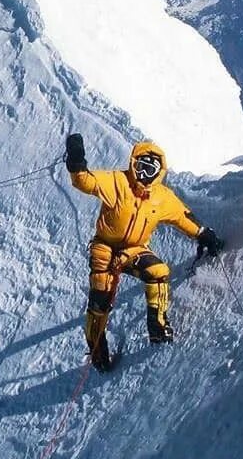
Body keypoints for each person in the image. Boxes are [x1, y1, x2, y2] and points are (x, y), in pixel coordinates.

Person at [65, 133, 224, 371]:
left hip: (134, 250)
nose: (144, 173)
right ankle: (98, 353)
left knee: (158, 271)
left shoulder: (161, 197)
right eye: (141, 166)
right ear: (133, 163)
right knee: (100, 303)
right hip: (104, 248)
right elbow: (86, 181)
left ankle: (158, 327)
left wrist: (203, 234)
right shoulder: (118, 181)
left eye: (151, 169)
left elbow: (182, 217)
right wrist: (77, 162)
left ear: (159, 172)